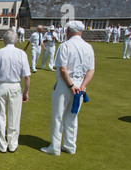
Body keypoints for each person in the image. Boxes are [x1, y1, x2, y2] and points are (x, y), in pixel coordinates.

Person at [40, 21, 95, 156]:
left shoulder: (65, 46)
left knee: (58, 116)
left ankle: (55, 147)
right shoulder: (88, 47)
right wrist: (82, 86)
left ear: (68, 32)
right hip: (80, 85)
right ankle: (70, 146)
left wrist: (71, 86)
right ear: (80, 32)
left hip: (65, 85)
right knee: (72, 116)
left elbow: (63, 69)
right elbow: (91, 70)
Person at [0, 30, 31, 153]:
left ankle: (1, 145)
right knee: (14, 116)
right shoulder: (21, 54)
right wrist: (26, 91)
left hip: (1, 86)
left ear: (4, 40)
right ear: (16, 40)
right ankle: (12, 145)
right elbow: (26, 76)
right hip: (15, 86)